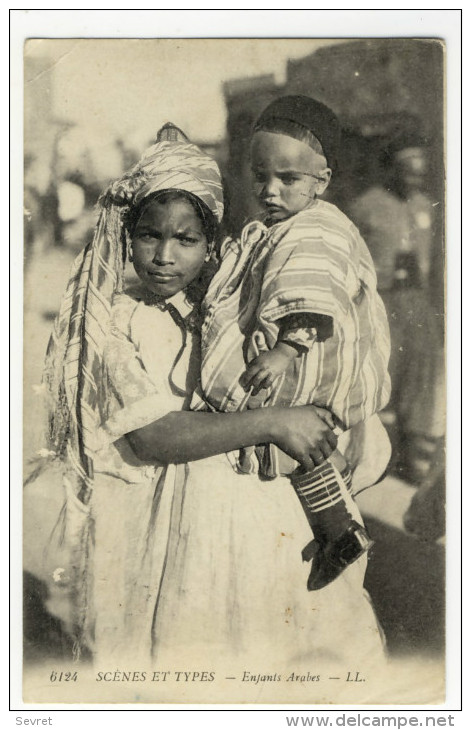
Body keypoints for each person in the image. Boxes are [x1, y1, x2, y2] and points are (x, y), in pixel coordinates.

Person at [42, 124, 385, 682]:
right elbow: (151, 435)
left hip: (259, 518)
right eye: (149, 236)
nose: (163, 256)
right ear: (128, 236)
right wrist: (274, 422)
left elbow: (322, 364)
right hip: (164, 526)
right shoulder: (115, 321)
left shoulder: (234, 304)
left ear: (211, 242)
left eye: (186, 240)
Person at [193, 96, 391, 590]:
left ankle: (337, 525)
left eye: (288, 179)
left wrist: (284, 351)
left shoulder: (314, 230)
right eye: (260, 176)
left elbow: (309, 296)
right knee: (308, 452)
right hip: (301, 355)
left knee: (287, 437)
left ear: (321, 181)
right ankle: (339, 530)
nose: (270, 190)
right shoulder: (285, 223)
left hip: (306, 355)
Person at [349, 134, 445, 484]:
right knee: (381, 376)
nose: (413, 179)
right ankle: (374, 458)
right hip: (381, 301)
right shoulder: (365, 206)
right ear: (391, 169)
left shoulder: (425, 206)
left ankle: (410, 458)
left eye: (419, 173)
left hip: (416, 302)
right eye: (407, 171)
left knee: (420, 379)